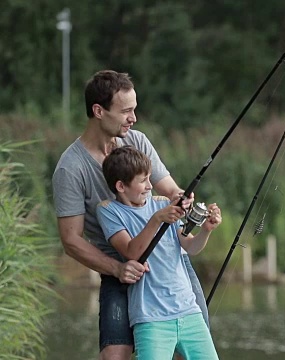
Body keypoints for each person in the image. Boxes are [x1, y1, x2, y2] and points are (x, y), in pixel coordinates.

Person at [52, 70, 210, 359]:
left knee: (191, 344)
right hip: (118, 267)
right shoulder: (70, 168)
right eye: (126, 111)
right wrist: (116, 269)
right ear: (99, 111)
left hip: (167, 263)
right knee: (115, 354)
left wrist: (182, 200)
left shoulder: (137, 141)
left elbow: (171, 189)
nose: (133, 118)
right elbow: (71, 240)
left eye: (134, 109)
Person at [97, 146, 221, 359]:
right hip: (151, 319)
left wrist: (206, 231)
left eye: (150, 178)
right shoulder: (109, 210)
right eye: (143, 180)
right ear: (121, 186)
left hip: (189, 311)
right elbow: (131, 252)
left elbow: (190, 246)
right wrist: (156, 219)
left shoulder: (162, 204)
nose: (150, 185)